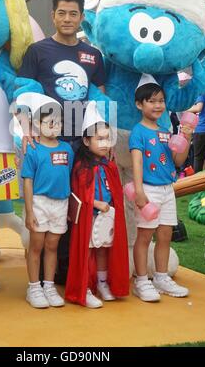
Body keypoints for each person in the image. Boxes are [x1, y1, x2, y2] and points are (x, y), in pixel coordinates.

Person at [17, 0, 106, 284]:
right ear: (52, 16)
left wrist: (98, 138)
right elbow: (23, 93)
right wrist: (26, 127)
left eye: (73, 13)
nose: (67, 18)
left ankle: (69, 270)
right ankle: (39, 275)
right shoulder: (38, 51)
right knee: (45, 202)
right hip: (47, 143)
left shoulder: (93, 55)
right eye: (61, 13)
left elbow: (100, 98)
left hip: (81, 144)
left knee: (77, 205)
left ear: (81, 17)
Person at [129, 79, 194, 302]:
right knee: (145, 235)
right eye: (152, 101)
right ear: (139, 105)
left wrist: (185, 137)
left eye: (161, 101)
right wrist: (139, 191)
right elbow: (136, 162)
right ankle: (141, 281)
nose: (158, 105)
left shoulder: (166, 131)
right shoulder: (137, 132)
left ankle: (161, 277)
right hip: (148, 189)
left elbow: (178, 160)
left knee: (165, 235)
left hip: (168, 189)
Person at [65, 101, 129, 308]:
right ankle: (85, 287)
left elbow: (115, 191)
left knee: (103, 249)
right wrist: (96, 203)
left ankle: (102, 283)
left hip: (107, 216)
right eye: (99, 139)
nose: (104, 143)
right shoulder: (81, 167)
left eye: (107, 139)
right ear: (85, 140)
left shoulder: (109, 165)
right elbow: (78, 195)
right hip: (89, 217)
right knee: (88, 251)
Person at [20, 93, 74, 308]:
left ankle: (49, 286)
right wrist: (30, 211)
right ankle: (33, 287)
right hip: (39, 203)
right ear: (36, 124)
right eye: (49, 122)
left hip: (60, 204)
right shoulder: (33, 150)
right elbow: (27, 182)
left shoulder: (67, 149)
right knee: (36, 245)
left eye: (58, 122)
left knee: (53, 245)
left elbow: (67, 177)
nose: (55, 125)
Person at [187, 91, 205, 173]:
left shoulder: (202, 93)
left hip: (201, 130)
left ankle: (198, 182)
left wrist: (185, 108)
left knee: (198, 158)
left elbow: (198, 108)